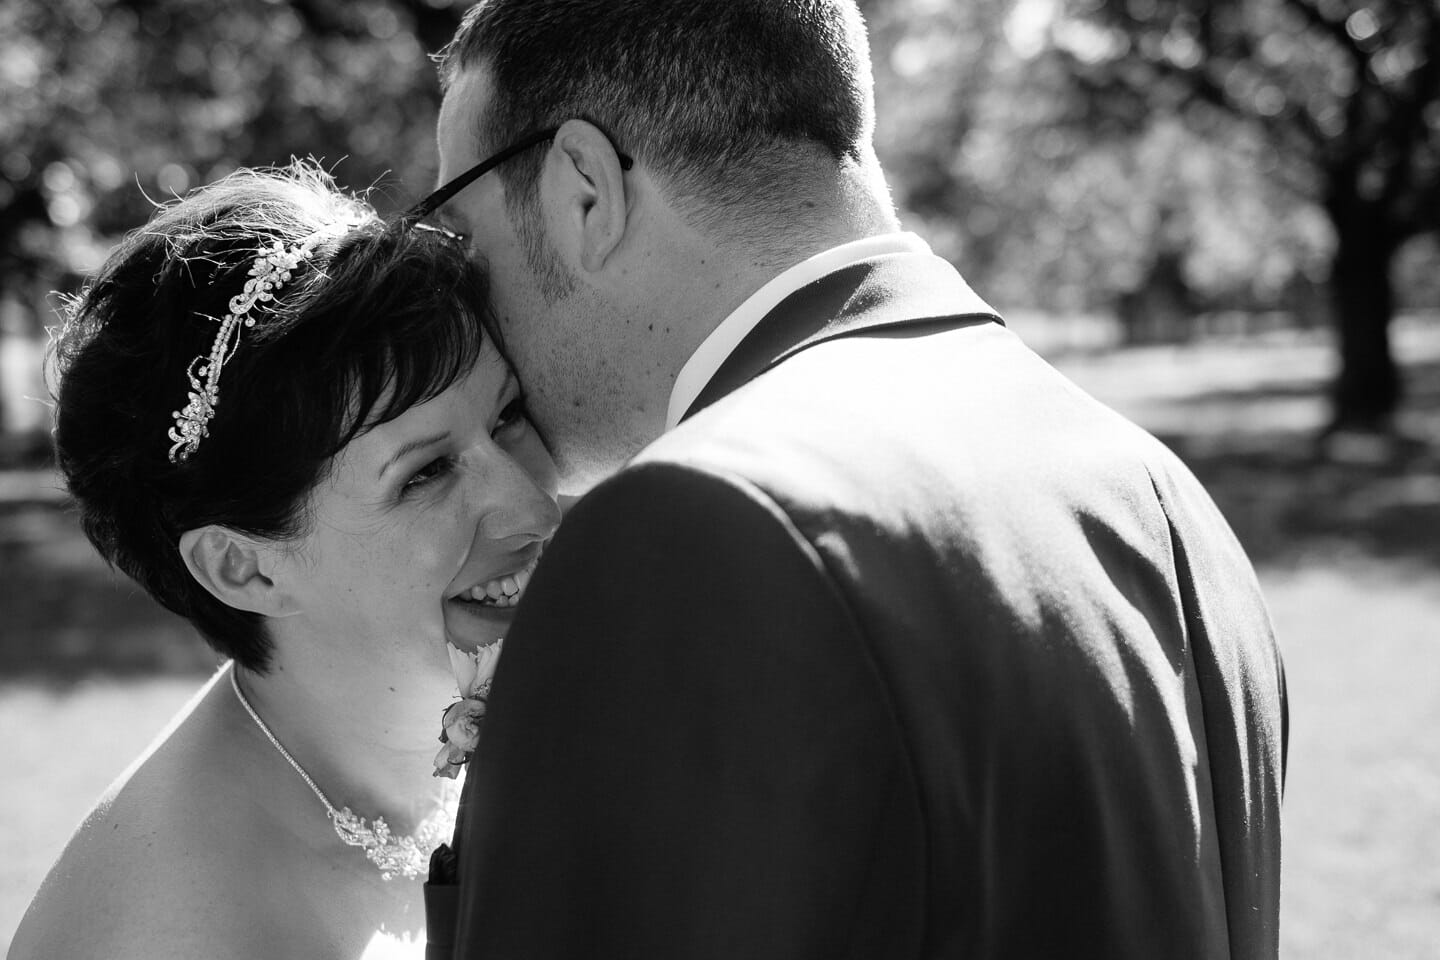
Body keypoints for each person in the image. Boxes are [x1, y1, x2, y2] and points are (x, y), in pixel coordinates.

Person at [421, 1, 1288, 957]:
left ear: (584, 189)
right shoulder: (1158, 491)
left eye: (460, 229)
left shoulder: (699, 528)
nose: (464, 289)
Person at [11, 163, 561, 960]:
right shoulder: (197, 928)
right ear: (246, 569)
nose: (535, 507)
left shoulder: (436, 735)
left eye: (508, 416)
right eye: (425, 473)